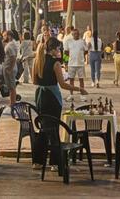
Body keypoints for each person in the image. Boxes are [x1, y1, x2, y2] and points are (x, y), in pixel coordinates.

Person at [30, 36, 88, 171]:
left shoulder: (37, 61)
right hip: (52, 97)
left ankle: (38, 161)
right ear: (54, 49)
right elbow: (63, 85)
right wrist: (79, 89)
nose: (59, 51)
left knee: (43, 128)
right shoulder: (55, 63)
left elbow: (34, 81)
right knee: (54, 129)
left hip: (40, 96)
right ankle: (55, 162)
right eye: (58, 49)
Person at [62, 28, 86, 93]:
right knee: (71, 80)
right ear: (72, 34)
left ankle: (82, 93)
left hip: (80, 64)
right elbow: (66, 51)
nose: (76, 35)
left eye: (77, 34)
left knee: (81, 80)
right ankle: (71, 94)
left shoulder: (82, 41)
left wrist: (80, 56)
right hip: (71, 64)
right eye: (74, 34)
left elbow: (86, 51)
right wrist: (72, 56)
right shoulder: (68, 41)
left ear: (79, 34)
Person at [2, 30, 19, 104]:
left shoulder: (10, 45)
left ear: (9, 36)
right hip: (9, 67)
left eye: (4, 35)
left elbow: (13, 57)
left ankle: (12, 104)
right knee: (11, 87)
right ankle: (12, 102)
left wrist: (10, 69)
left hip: (9, 68)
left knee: (11, 87)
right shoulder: (11, 43)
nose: (3, 37)